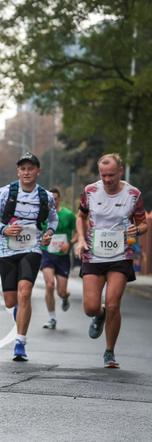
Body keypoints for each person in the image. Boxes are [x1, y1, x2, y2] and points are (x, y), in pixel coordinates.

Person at [75, 153, 147, 368]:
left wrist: (138, 229)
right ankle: (100, 314)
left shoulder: (133, 194)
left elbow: (143, 223)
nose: (107, 180)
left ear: (120, 172)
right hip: (94, 254)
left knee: (114, 303)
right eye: (103, 175)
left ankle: (109, 352)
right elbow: (81, 216)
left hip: (120, 255)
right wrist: (80, 239)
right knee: (90, 307)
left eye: (111, 175)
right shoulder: (90, 191)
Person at [0, 152, 57, 362]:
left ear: (37, 171)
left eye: (31, 168)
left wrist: (49, 233)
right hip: (7, 250)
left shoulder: (46, 196)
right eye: (23, 169)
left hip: (32, 248)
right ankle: (19, 309)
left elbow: (53, 220)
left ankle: (20, 342)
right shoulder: (6, 192)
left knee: (25, 293)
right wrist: (3, 229)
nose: (26, 172)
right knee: (11, 301)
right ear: (18, 171)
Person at [40, 188, 77, 330]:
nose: (53, 201)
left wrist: (70, 243)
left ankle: (65, 297)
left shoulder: (68, 215)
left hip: (63, 256)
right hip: (47, 254)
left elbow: (78, 233)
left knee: (61, 292)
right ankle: (52, 318)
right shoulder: (43, 215)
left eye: (55, 198)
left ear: (59, 199)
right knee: (49, 285)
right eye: (50, 199)